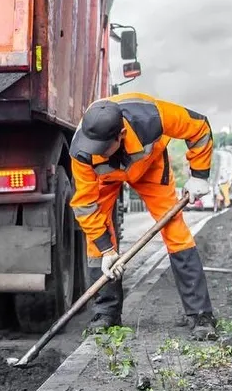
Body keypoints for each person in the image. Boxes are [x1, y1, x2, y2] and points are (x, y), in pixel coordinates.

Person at [69, 92, 218, 341]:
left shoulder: (151, 116)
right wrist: (107, 251)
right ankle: (106, 313)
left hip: (150, 168)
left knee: (176, 232)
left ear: (121, 135)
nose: (99, 153)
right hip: (105, 180)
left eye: (104, 148)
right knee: (96, 242)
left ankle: (200, 315)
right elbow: (85, 204)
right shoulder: (82, 150)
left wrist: (199, 175)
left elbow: (199, 126)